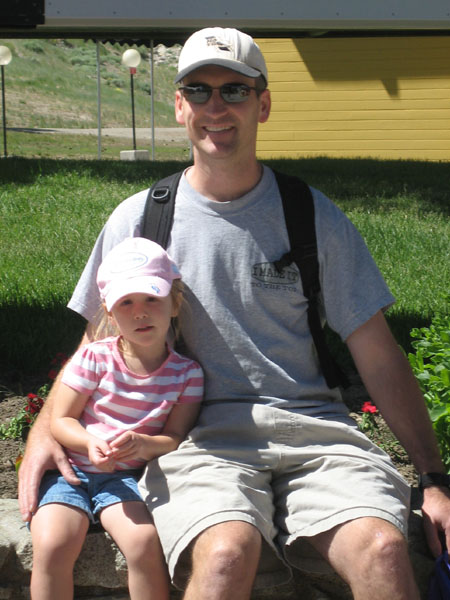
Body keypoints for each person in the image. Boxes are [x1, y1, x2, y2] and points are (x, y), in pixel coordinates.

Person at [19, 27, 450, 600]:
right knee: (225, 554)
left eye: (235, 91)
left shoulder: (311, 215)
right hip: (200, 439)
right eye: (198, 91)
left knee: (383, 549)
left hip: (319, 434)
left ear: (263, 104)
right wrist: (43, 435)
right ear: (179, 106)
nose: (215, 107)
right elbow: (94, 345)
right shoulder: (141, 220)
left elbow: (378, 354)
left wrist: (433, 477)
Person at [29, 237, 204, 600]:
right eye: (126, 303)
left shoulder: (187, 375)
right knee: (52, 542)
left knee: (143, 542)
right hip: (69, 474)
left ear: (174, 304)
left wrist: (143, 444)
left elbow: (174, 437)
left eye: (151, 299)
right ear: (110, 313)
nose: (140, 312)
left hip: (125, 479)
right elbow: (62, 420)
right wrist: (89, 442)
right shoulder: (94, 358)